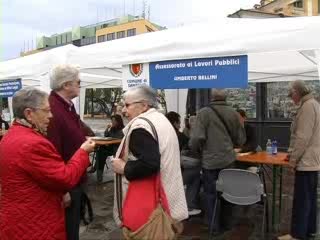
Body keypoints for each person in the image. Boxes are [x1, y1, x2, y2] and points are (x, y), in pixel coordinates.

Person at [0, 87, 95, 240]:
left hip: (16, 219)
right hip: (36, 224)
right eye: (46, 111)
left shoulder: (10, 136)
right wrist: (83, 152)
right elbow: (65, 178)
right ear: (29, 114)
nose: (50, 116)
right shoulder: (33, 143)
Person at [111, 85, 188, 229]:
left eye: (127, 105)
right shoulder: (160, 119)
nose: (123, 110)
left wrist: (124, 167)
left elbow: (150, 164)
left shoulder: (141, 127)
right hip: (166, 198)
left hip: (151, 206)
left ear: (144, 105)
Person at [46, 64, 93, 240]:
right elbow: (53, 152)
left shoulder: (66, 106)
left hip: (75, 177)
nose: (80, 85)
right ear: (66, 85)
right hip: (67, 182)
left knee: (73, 227)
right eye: (78, 82)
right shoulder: (52, 109)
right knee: (68, 231)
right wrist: (62, 190)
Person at [190, 89, 246, 232]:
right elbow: (241, 139)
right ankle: (227, 224)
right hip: (228, 159)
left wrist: (198, 151)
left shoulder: (203, 113)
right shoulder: (233, 113)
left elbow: (196, 138)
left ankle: (212, 226)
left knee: (210, 194)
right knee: (227, 192)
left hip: (210, 161)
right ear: (225, 97)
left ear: (212, 97)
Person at [278, 81, 320, 240]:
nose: (291, 99)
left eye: (291, 95)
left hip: (306, 161)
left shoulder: (307, 107)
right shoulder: (314, 104)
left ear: (297, 92)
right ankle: (309, 231)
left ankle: (297, 235)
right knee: (309, 198)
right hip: (312, 160)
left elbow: (302, 138)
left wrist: (293, 160)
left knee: (302, 200)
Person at [166, 111, 202, 216]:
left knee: (193, 174)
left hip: (164, 170)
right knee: (195, 173)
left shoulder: (161, 134)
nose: (180, 124)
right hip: (176, 172)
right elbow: (191, 150)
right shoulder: (180, 136)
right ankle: (190, 206)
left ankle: (188, 205)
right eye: (179, 122)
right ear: (174, 123)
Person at [95, 114, 124, 182]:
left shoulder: (122, 130)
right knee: (100, 150)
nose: (112, 122)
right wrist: (107, 129)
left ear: (118, 121)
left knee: (101, 152)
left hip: (117, 149)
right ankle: (99, 171)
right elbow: (106, 136)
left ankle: (97, 168)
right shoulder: (112, 128)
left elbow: (118, 139)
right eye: (112, 120)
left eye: (114, 121)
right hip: (111, 147)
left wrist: (110, 141)